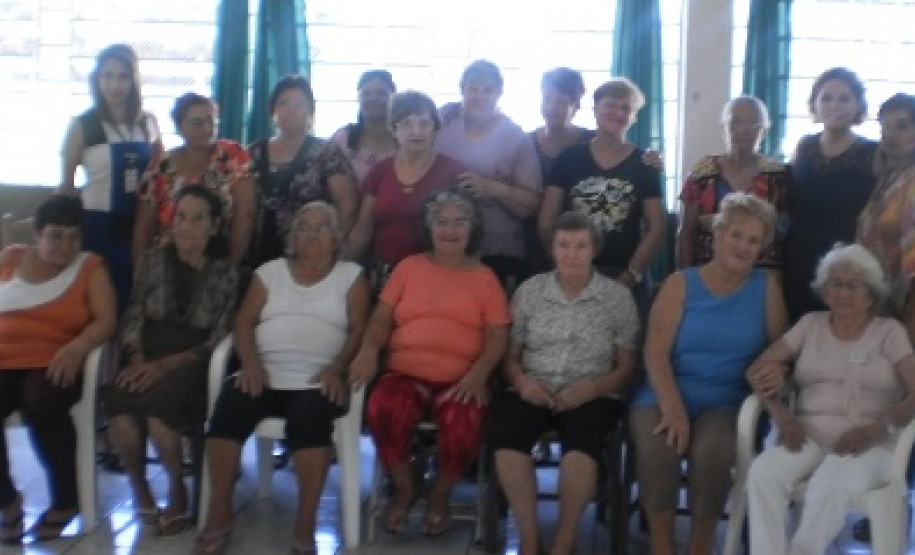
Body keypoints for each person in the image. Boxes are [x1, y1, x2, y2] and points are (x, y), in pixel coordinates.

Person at [196, 201, 369, 555]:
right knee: (229, 407)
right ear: (293, 235)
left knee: (309, 418)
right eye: (304, 227)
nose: (312, 235)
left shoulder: (350, 276)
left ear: (337, 238)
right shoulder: (270, 271)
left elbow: (358, 331)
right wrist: (250, 364)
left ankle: (305, 526)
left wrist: (338, 367)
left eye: (322, 228)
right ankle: (220, 514)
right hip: (265, 372)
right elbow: (243, 323)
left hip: (320, 378)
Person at [630, 192, 787, 555]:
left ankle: (701, 544)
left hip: (726, 399)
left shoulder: (768, 288)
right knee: (659, 447)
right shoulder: (680, 283)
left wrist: (778, 370)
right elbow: (654, 353)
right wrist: (673, 409)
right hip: (664, 390)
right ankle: (662, 544)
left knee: (714, 451)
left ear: (762, 248)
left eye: (753, 241)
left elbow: (779, 350)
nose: (742, 246)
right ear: (716, 236)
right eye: (735, 234)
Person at [349, 188, 511, 537]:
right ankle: (406, 488)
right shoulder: (409, 267)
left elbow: (499, 334)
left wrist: (480, 373)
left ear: (472, 229)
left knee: (464, 416)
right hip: (404, 372)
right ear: (428, 226)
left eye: (459, 222)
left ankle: (440, 493)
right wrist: (367, 351)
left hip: (463, 376)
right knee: (382, 406)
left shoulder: (484, 277)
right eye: (442, 222)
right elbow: (380, 320)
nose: (450, 230)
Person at [745, 244, 915, 554]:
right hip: (807, 435)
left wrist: (877, 430)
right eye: (836, 284)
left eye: (854, 285)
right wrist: (783, 416)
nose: (844, 293)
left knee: (832, 479)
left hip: (873, 446)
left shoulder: (890, 332)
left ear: (871, 295)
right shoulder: (810, 325)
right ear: (825, 292)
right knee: (763, 474)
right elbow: (757, 369)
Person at [492, 211, 640, 555]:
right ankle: (529, 537)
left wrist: (586, 391)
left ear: (594, 250)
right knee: (507, 440)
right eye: (564, 246)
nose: (572, 253)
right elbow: (510, 355)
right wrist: (522, 382)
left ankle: (564, 536)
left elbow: (627, 367)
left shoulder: (616, 297)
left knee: (581, 447)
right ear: (552, 250)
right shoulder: (530, 291)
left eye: (580, 246)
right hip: (533, 385)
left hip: (592, 392)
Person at [106, 186, 238, 536]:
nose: (185, 226)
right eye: (180, 217)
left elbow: (221, 336)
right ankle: (139, 487)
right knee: (120, 410)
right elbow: (133, 314)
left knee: (157, 413)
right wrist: (137, 358)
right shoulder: (152, 260)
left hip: (192, 360)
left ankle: (178, 490)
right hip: (146, 351)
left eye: (197, 219)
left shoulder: (228, 272)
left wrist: (164, 366)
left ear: (214, 226)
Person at [0, 195, 116, 543]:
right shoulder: (11, 259)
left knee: (41, 400)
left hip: (58, 358)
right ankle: (7, 501)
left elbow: (107, 320)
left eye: (74, 236)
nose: (66, 246)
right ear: (37, 234)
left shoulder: (90, 268)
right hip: (5, 358)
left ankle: (66, 501)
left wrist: (78, 346)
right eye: (55, 236)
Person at [538, 77, 666, 304]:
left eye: (626, 108)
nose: (617, 112)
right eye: (610, 105)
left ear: (634, 117)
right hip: (572, 270)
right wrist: (562, 264)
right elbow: (547, 220)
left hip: (624, 274)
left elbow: (656, 228)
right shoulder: (568, 158)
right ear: (595, 109)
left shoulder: (645, 164)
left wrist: (629, 277)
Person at [58, 43, 162, 312]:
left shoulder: (148, 123)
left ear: (134, 80)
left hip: (138, 229)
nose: (114, 85)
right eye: (107, 76)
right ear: (97, 79)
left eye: (122, 76)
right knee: (95, 306)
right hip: (95, 227)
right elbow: (66, 188)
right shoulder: (82, 125)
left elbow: (161, 177)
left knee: (133, 304)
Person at [434, 59, 542, 290]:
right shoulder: (441, 123)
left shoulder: (516, 137)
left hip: (497, 249)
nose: (479, 96)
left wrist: (493, 188)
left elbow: (531, 204)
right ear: (462, 89)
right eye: (473, 89)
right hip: (443, 243)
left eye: (488, 90)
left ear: (500, 92)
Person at [782, 67, 877, 323]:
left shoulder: (873, 153)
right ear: (814, 104)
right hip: (798, 257)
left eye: (844, 98)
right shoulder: (804, 146)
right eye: (826, 97)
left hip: (847, 264)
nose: (835, 105)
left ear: (858, 106)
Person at [344, 90, 466, 290]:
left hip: (436, 276)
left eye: (424, 123)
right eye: (406, 123)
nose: (416, 131)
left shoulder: (454, 172)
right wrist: (336, 268)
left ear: (435, 129)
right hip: (383, 275)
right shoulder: (379, 171)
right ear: (393, 129)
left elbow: (468, 232)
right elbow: (362, 229)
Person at [134, 92, 254, 268]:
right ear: (179, 127)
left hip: (220, 263)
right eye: (197, 122)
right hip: (167, 266)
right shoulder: (160, 167)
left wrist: (229, 269)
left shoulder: (232, 155)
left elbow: (246, 216)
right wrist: (142, 276)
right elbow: (143, 228)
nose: (206, 128)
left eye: (211, 121)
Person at [249, 75, 358, 267]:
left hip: (311, 258)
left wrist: (329, 251)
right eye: (284, 103)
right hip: (257, 256)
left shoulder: (327, 152)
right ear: (273, 110)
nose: (291, 109)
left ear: (311, 110)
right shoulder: (254, 152)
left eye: (299, 103)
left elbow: (347, 210)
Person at [677, 95, 790, 270]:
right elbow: (686, 233)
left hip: (763, 277)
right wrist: (688, 281)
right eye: (735, 122)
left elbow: (788, 233)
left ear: (764, 130)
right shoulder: (702, 174)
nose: (743, 129)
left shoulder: (779, 176)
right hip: (709, 275)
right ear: (724, 129)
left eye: (753, 122)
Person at [523, 68, 595, 279]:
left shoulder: (592, 142)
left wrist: (650, 157)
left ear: (576, 105)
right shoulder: (525, 142)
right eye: (547, 99)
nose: (551, 107)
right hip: (531, 243)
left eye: (561, 101)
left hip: (577, 243)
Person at [858, 93, 915, 330]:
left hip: (904, 308)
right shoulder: (886, 179)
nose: (891, 134)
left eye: (902, 126)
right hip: (877, 303)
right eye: (886, 126)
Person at [331, 70, 399, 185]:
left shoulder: (409, 139)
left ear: (395, 97)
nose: (373, 98)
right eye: (366, 94)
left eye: (381, 93)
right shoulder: (342, 140)